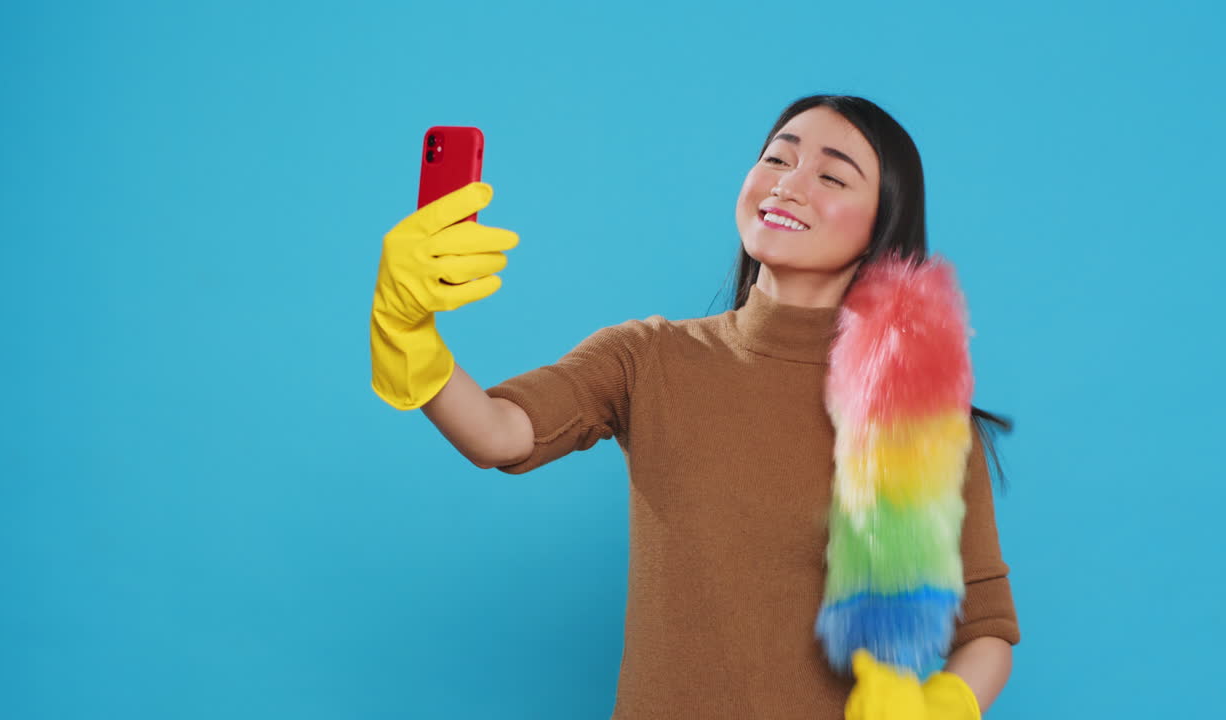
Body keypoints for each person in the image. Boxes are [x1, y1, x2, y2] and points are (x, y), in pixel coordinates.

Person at [370, 94, 1020, 719]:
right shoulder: (648, 358)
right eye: (778, 158)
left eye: (831, 176)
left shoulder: (917, 419)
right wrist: (408, 335)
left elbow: (986, 629)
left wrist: (941, 708)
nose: (788, 184)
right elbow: (498, 434)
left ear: (882, 226)